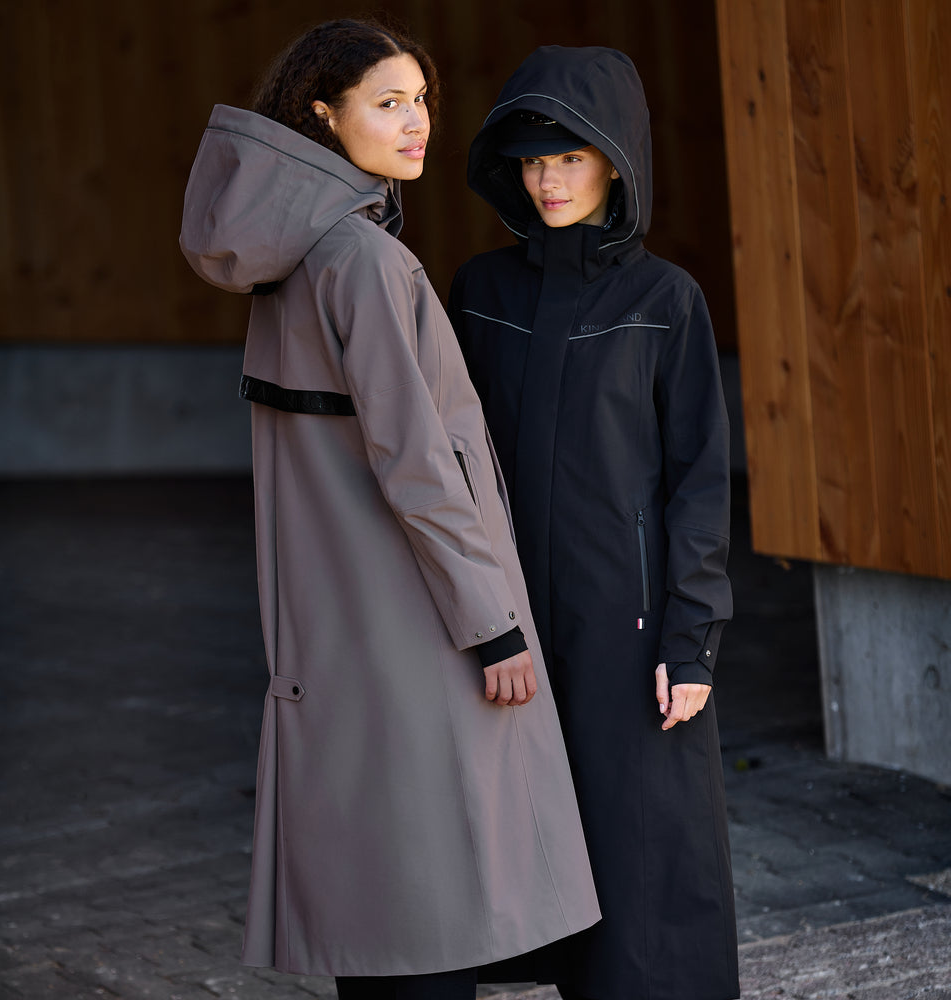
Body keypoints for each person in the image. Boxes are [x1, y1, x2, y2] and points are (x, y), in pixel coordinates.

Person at [178, 20, 600, 1000]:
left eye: (421, 101)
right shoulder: (363, 262)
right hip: (421, 621)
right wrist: (493, 626)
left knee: (376, 900)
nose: (416, 124)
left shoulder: (290, 259)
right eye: (388, 102)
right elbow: (418, 464)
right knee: (435, 900)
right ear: (323, 115)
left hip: (340, 623)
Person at [450, 46, 738, 1000]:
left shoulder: (667, 301)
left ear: (616, 163)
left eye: (570, 158)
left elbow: (699, 481)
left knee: (641, 840)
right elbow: (450, 459)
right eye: (534, 160)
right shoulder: (480, 293)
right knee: (521, 821)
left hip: (630, 624)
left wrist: (692, 639)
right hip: (512, 618)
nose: (548, 180)